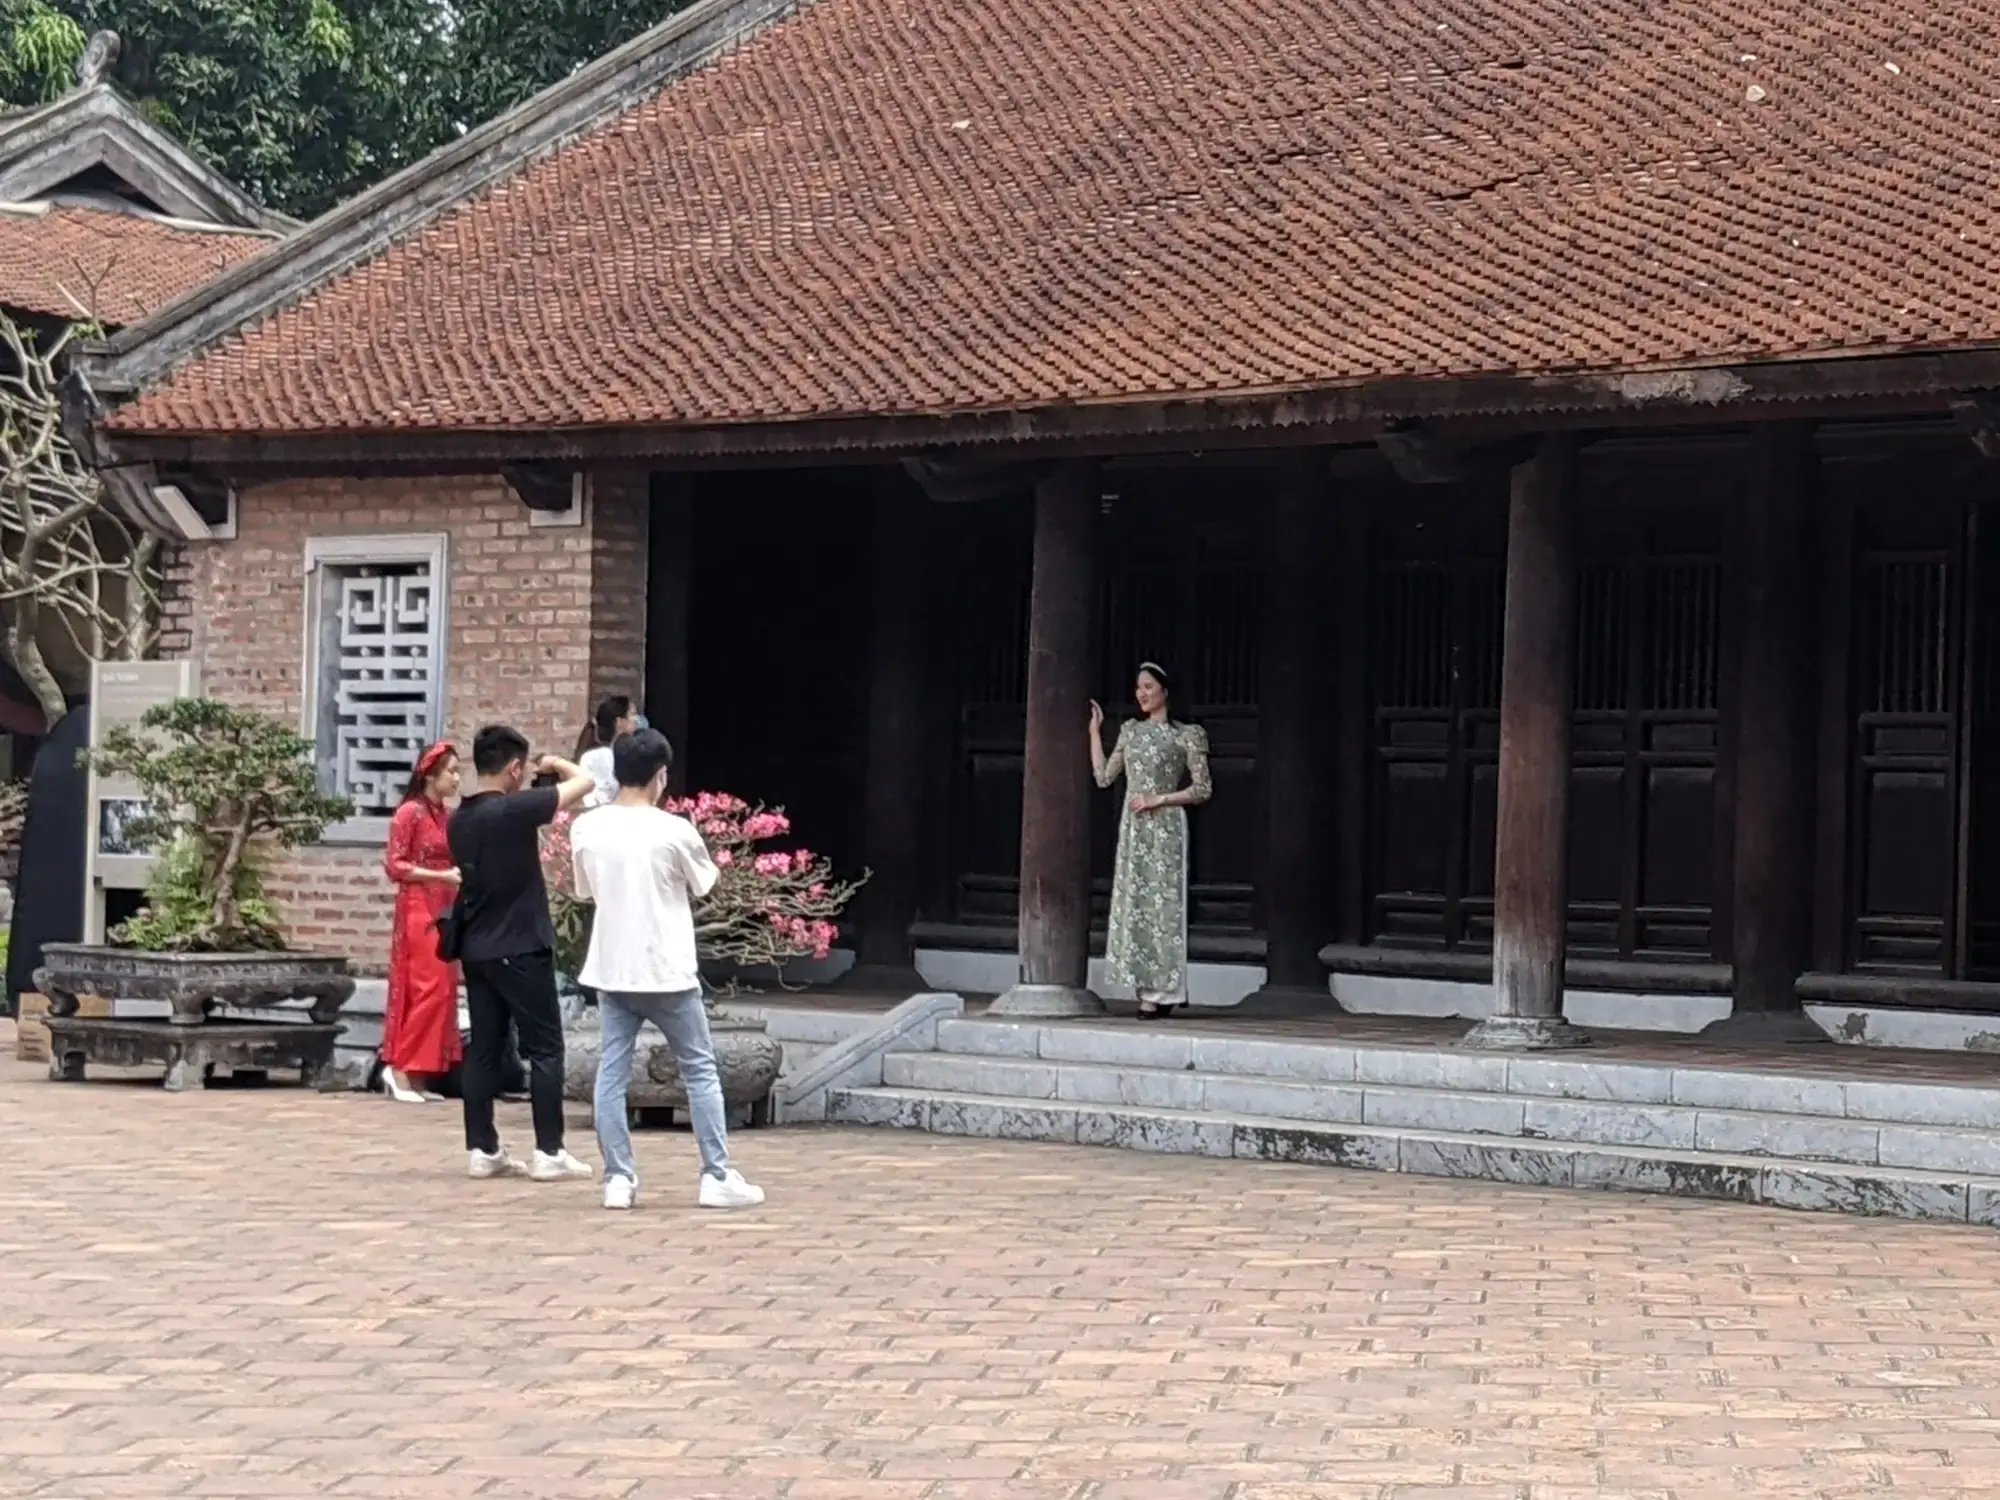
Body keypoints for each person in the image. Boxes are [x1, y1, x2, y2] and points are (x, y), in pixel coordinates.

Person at [570, 727, 764, 1212]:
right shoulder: (675, 829)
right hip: (668, 969)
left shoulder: (587, 827)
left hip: (613, 968)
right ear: (660, 776)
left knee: (611, 1073)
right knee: (699, 1069)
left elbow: (583, 891)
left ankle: (618, 1176)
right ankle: (715, 1174)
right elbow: (705, 884)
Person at [446, 724, 596, 1180]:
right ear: (514, 768)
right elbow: (586, 783)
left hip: (477, 948)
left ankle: (482, 1148)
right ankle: (549, 1151)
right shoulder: (512, 810)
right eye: (522, 767)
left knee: (486, 1049)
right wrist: (553, 766)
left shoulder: (461, 818)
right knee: (546, 1048)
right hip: (521, 946)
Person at [1087, 663, 1213, 1018]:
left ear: (1165, 691)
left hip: (1166, 825)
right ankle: (1145, 988)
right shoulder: (1130, 731)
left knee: (1165, 907)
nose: (1142, 693)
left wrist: (1160, 799)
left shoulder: (1186, 734)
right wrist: (1095, 733)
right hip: (1134, 828)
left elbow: (1202, 789)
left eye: (1148, 686)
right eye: (1138, 687)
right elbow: (1103, 777)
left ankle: (1165, 990)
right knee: (1137, 905)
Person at [379, 742, 464, 1103]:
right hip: (418, 906)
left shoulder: (444, 815)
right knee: (428, 987)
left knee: (444, 987)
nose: (457, 778)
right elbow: (395, 866)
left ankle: (417, 1073)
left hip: (443, 906)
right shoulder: (409, 813)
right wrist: (442, 876)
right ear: (430, 774)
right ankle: (398, 1066)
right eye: (452, 771)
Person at [576, 695, 639, 808]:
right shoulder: (596, 757)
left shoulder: (637, 754)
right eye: (632, 714)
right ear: (619, 722)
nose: (637, 720)